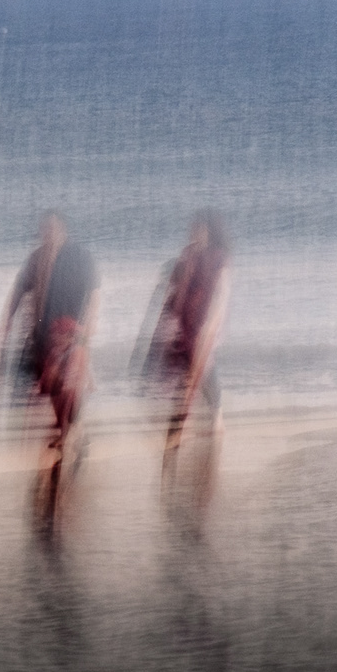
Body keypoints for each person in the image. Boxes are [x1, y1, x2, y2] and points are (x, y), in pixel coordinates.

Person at [0, 211, 99, 525]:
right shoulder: (35, 259)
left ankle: (72, 441)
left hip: (69, 339)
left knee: (66, 393)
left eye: (52, 228)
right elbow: (16, 296)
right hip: (39, 342)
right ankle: (70, 437)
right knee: (45, 392)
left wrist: (85, 333)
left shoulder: (79, 257)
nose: (46, 233)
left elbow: (93, 297)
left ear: (63, 229)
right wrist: (5, 327)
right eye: (42, 229)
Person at [144, 210, 231, 494]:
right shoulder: (186, 259)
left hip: (202, 341)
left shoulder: (219, 261)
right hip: (184, 341)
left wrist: (207, 332)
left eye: (197, 229)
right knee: (186, 404)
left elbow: (219, 300)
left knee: (208, 403)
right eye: (191, 229)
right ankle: (170, 472)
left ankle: (205, 469)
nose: (192, 233)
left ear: (207, 231)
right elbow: (172, 300)